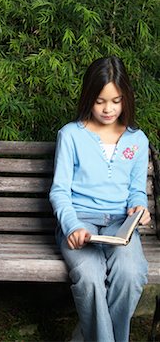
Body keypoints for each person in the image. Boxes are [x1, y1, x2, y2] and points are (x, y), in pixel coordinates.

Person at [49, 56, 150, 342]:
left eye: (116, 101)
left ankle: (87, 335)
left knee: (131, 275)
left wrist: (139, 207)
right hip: (80, 224)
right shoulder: (70, 135)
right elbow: (60, 191)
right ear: (88, 98)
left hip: (120, 226)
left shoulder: (137, 140)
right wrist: (71, 227)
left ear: (126, 98)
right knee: (90, 278)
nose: (108, 109)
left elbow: (136, 190)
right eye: (100, 101)